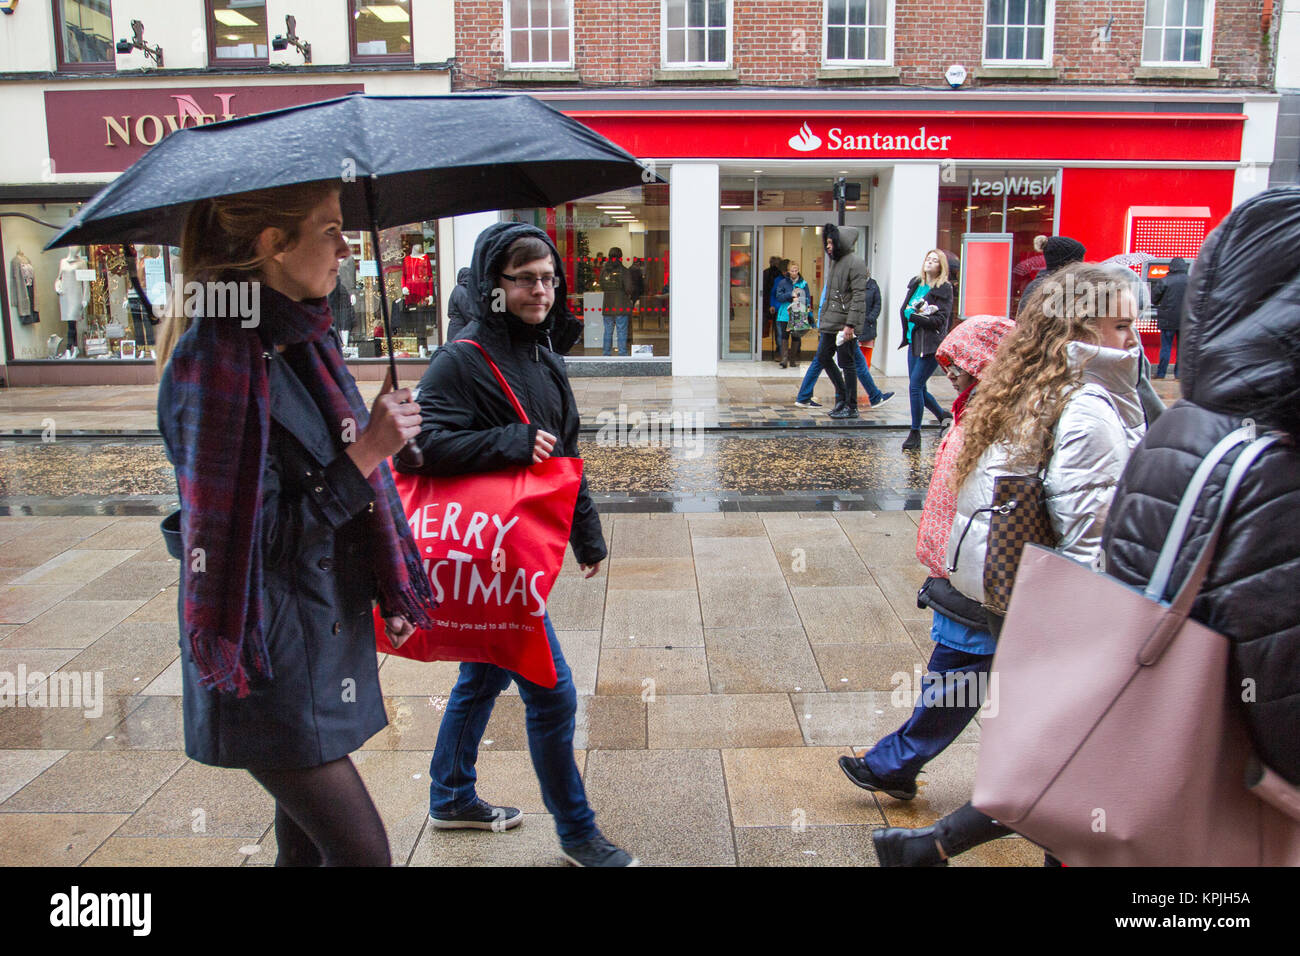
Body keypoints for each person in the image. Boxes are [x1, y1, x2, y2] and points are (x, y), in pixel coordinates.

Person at [155, 182, 437, 866]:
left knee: (306, 853)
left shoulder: (302, 345)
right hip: (266, 658)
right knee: (363, 854)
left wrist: (383, 575)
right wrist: (367, 450)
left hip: (314, 636)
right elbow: (255, 543)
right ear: (271, 246)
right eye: (329, 230)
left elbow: (322, 486)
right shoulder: (215, 363)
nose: (346, 248)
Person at [871, 262, 1149, 866]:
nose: (1136, 337)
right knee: (1072, 773)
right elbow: (1092, 544)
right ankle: (927, 841)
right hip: (1062, 618)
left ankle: (927, 844)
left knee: (1058, 769)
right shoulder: (1086, 408)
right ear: (1079, 328)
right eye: (1123, 324)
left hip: (1012, 604)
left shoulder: (1024, 392)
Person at [404, 222, 637, 867]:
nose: (542, 290)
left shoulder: (544, 356)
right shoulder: (462, 358)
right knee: (552, 691)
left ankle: (450, 797)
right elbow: (419, 448)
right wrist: (505, 441)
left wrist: (586, 535)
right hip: (488, 556)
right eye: (525, 279)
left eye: (549, 278)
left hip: (515, 552)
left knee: (481, 674)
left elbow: (564, 454)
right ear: (493, 285)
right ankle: (578, 832)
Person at [1103, 187, 1300, 788]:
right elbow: (1283, 698)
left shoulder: (1187, 425)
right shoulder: (1273, 464)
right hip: (1203, 803)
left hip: (1134, 768)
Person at [839, 315, 1015, 801]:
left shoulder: (1008, 414)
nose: (950, 370)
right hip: (971, 568)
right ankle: (897, 764)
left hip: (987, 572)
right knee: (960, 672)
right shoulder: (981, 405)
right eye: (947, 361)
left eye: (958, 361)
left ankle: (897, 765)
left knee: (959, 672)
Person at [898, 249, 955, 450]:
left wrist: (914, 317)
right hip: (914, 341)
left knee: (914, 386)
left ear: (941, 266)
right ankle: (943, 416)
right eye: (927, 259)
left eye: (934, 260)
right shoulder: (916, 284)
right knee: (919, 387)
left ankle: (915, 433)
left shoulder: (944, 288)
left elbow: (940, 320)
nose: (929, 263)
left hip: (930, 345)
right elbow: (905, 309)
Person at [818, 224, 868, 420]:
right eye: (827, 242)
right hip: (832, 322)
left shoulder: (855, 263)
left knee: (847, 364)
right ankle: (843, 398)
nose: (828, 246)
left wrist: (851, 325)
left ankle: (851, 405)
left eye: (831, 242)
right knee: (823, 358)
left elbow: (858, 296)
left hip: (844, 325)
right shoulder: (836, 263)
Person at [1018, 235, 1086, 309]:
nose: (1082, 265)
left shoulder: (1037, 285)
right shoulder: (1057, 289)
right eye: (1079, 262)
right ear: (1066, 263)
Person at [1151, 256, 1188, 378]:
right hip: (1184, 320)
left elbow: (1154, 299)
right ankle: (1179, 374)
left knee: (1166, 347)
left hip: (1167, 320)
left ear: (1171, 267)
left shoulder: (1165, 280)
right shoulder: (1191, 281)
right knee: (1182, 349)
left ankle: (1161, 373)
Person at [772, 259, 809, 368]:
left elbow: (807, 297)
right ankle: (784, 359)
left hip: (798, 312)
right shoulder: (783, 282)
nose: (794, 273)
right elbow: (778, 296)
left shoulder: (803, 283)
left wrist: (802, 301)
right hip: (785, 313)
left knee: (796, 335)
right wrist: (790, 295)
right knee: (784, 335)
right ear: (788, 271)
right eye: (792, 271)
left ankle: (793, 359)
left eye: (796, 270)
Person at [599, 246, 633, 356]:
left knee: (608, 331)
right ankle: (622, 353)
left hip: (608, 305)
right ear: (620, 257)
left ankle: (606, 353)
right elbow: (629, 288)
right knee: (621, 331)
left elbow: (602, 286)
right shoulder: (624, 270)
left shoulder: (604, 271)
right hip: (621, 305)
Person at [445, 265, 474, 342]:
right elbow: (467, 311)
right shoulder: (461, 291)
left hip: (457, 330)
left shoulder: (460, 289)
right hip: (459, 332)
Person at [761, 255, 782, 352]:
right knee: (778, 328)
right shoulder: (781, 275)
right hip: (778, 304)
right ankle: (779, 347)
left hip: (766, 303)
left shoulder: (765, 273)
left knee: (765, 325)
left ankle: (758, 346)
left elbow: (763, 290)